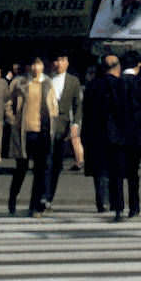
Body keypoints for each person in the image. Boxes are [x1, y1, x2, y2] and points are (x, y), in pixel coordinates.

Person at [7, 57, 58, 217]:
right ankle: (12, 198)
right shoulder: (19, 83)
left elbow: (53, 107)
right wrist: (13, 120)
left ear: (43, 66)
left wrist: (52, 125)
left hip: (42, 131)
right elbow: (8, 104)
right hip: (24, 131)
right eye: (33, 64)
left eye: (39, 64)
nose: (36, 68)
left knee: (40, 170)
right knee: (21, 168)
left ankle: (34, 206)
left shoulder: (48, 84)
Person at [108, 50, 141, 220]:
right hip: (136, 134)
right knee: (133, 173)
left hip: (118, 134)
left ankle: (118, 208)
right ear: (138, 65)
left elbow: (110, 110)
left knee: (118, 172)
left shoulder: (116, 83)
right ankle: (134, 206)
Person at [44, 53, 84, 206]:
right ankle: (43, 195)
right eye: (57, 60)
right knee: (46, 161)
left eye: (62, 60)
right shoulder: (47, 80)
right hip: (46, 124)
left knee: (56, 163)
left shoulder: (73, 81)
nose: (59, 63)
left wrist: (75, 124)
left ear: (67, 62)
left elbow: (77, 105)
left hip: (63, 124)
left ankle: (49, 196)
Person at [82, 56, 116, 211]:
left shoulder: (92, 86)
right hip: (114, 131)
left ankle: (102, 200)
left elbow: (86, 111)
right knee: (112, 167)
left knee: (100, 169)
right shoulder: (118, 84)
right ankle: (112, 200)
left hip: (95, 131)